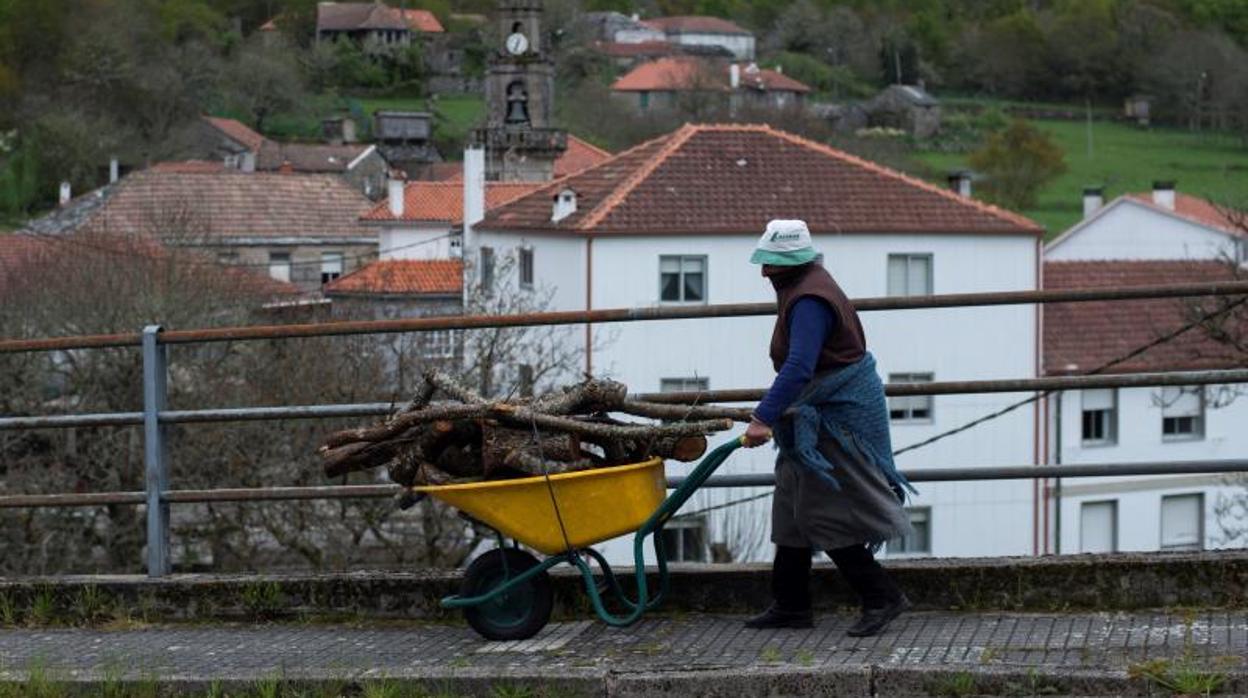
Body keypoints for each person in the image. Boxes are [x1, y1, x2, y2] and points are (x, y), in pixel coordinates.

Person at [741, 219, 915, 638]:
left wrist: (763, 417)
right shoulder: (805, 286)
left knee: (823, 510)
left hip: (837, 416)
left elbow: (801, 365)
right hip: (813, 409)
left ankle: (882, 596)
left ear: (792, 264)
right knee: (791, 504)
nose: (764, 272)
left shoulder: (809, 301)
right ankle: (791, 604)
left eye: (771, 265)